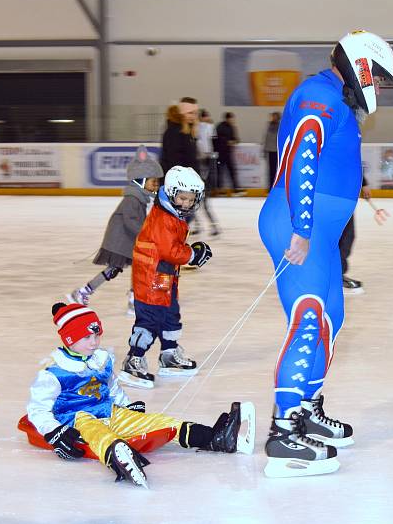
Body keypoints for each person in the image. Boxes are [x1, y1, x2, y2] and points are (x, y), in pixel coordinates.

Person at [257, 30, 393, 478]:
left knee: (330, 318)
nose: (381, 85)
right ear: (360, 66)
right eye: (379, 76)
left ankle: (306, 409)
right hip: (302, 226)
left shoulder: (335, 99)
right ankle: (283, 433)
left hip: (319, 230)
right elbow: (303, 158)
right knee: (310, 317)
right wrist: (301, 229)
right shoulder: (319, 96)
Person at [27, 302, 252, 488]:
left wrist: (127, 406)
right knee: (94, 431)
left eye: (97, 336)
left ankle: (214, 438)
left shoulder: (101, 360)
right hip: (75, 418)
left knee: (158, 422)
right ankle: (118, 454)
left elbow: (113, 389)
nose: (94, 342)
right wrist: (54, 432)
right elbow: (37, 409)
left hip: (108, 410)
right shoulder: (54, 372)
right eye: (87, 338)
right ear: (69, 340)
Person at [118, 166, 213, 389]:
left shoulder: (173, 215)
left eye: (191, 200)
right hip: (150, 280)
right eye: (182, 198)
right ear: (171, 193)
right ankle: (134, 360)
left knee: (170, 315)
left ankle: (169, 356)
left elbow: (171, 248)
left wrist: (189, 251)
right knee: (150, 320)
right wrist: (192, 254)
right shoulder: (163, 218)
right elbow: (169, 250)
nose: (187, 204)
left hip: (164, 278)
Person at [65, 145, 163, 314]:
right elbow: (130, 221)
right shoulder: (133, 199)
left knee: (120, 269)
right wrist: (146, 234)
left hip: (125, 240)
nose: (155, 186)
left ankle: (85, 293)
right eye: (153, 182)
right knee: (124, 268)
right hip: (121, 240)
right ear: (140, 180)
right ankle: (130, 301)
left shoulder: (139, 198)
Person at [338, 178, 371, 295]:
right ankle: (335, 276)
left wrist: (363, 183)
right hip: (335, 194)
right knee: (343, 236)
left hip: (338, 193)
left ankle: (334, 274)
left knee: (345, 236)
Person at [192, 109, 220, 237]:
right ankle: (212, 226)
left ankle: (203, 225)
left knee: (197, 202)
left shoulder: (197, 128)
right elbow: (212, 143)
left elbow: (202, 144)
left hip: (200, 165)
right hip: (205, 163)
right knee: (201, 202)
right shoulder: (209, 126)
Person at [160, 98, 199, 175]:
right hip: (178, 181)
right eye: (190, 113)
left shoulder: (188, 131)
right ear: (181, 113)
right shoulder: (174, 132)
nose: (193, 117)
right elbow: (174, 160)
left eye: (195, 113)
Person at [215, 112, 244, 196]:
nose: (233, 120)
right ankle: (219, 190)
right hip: (220, 153)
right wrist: (226, 142)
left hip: (228, 153)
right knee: (220, 172)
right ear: (227, 118)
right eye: (231, 119)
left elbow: (236, 139)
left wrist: (234, 141)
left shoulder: (232, 127)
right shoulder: (220, 127)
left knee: (232, 171)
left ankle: (235, 189)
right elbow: (217, 139)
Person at [262, 112, 281, 189]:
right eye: (272, 116)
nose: (272, 118)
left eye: (274, 116)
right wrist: (264, 149)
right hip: (270, 150)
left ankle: (277, 186)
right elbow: (266, 138)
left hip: (278, 151)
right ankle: (271, 187)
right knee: (271, 170)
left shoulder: (280, 125)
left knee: (279, 170)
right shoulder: (269, 125)